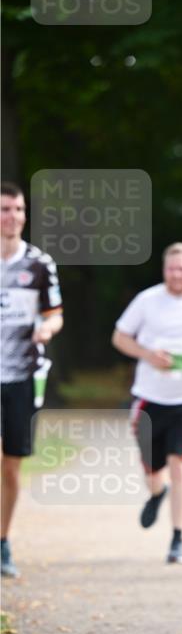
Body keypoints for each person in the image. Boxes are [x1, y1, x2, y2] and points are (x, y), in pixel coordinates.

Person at [112, 243, 182, 565]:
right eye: (171, 269)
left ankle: (178, 539)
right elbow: (120, 337)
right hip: (149, 399)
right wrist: (148, 355)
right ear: (164, 270)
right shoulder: (147, 300)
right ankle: (156, 492)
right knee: (154, 471)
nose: (176, 275)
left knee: (179, 467)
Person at [1, 182, 64, 578]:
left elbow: (55, 313)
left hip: (23, 377)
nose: (12, 217)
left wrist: (47, 329)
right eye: (5, 209)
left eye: (18, 210)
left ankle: (3, 541)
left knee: (10, 466)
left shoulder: (40, 264)